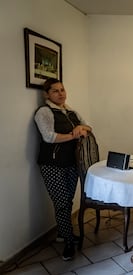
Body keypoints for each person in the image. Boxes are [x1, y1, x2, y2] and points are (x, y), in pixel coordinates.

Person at [34, 78, 92, 261]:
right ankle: (68, 241)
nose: (61, 94)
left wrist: (81, 128)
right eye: (55, 91)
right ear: (46, 94)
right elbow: (49, 137)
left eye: (62, 90)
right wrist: (73, 134)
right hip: (52, 164)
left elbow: (88, 127)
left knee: (67, 200)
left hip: (72, 162)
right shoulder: (44, 112)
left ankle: (61, 232)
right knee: (61, 202)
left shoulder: (71, 111)